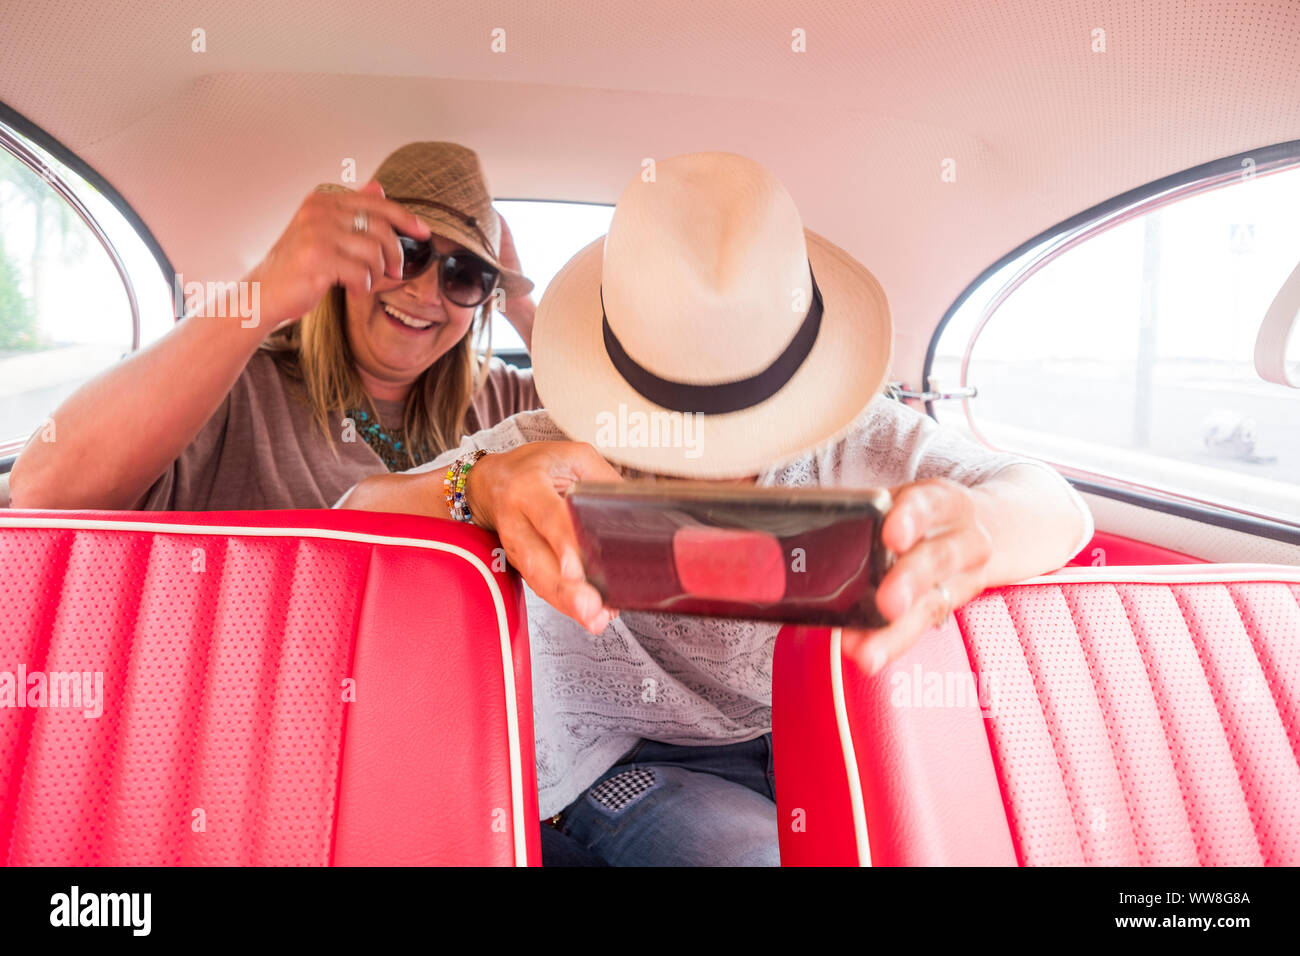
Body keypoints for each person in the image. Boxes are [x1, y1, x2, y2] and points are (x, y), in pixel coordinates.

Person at [338, 152, 1095, 865]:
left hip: (814, 740)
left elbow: (1055, 504)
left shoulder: (862, 436)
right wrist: (482, 484)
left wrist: (977, 528)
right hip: (622, 758)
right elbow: (356, 512)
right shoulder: (550, 447)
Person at [9, 142, 540, 511]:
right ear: (348, 254)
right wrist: (263, 290)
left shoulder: (496, 398)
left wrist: (519, 303)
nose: (424, 292)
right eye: (404, 252)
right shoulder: (241, 392)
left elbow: (616, 425)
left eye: (464, 275)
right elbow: (45, 493)